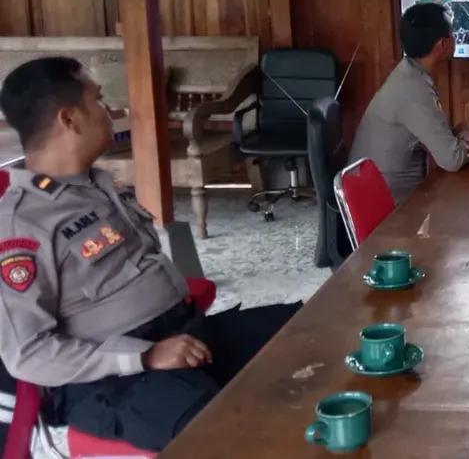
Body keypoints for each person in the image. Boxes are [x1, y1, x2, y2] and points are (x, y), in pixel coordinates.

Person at [0, 57, 301, 452]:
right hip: (117, 382)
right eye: (99, 102)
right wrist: (143, 357)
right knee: (236, 437)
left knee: (310, 332)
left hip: (183, 337)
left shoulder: (98, 184)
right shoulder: (23, 224)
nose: (111, 113)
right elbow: (28, 354)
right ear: (69, 119)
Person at [349, 2, 469, 203]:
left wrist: (459, 133)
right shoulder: (412, 90)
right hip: (387, 207)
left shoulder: (409, 74)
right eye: (452, 33)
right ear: (443, 45)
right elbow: (452, 160)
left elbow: (438, 137)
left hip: (386, 193)